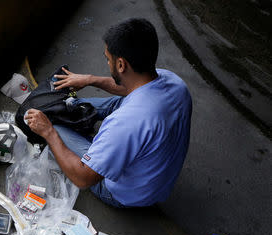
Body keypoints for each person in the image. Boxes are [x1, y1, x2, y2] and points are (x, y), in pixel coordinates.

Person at [24, 18, 192, 207]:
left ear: (121, 65)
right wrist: (89, 79)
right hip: (157, 181)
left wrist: (48, 132)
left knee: (54, 126)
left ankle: (59, 119)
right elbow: (127, 88)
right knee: (117, 101)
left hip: (125, 195)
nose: (107, 62)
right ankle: (71, 106)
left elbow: (83, 178)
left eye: (107, 58)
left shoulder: (124, 122)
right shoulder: (174, 83)